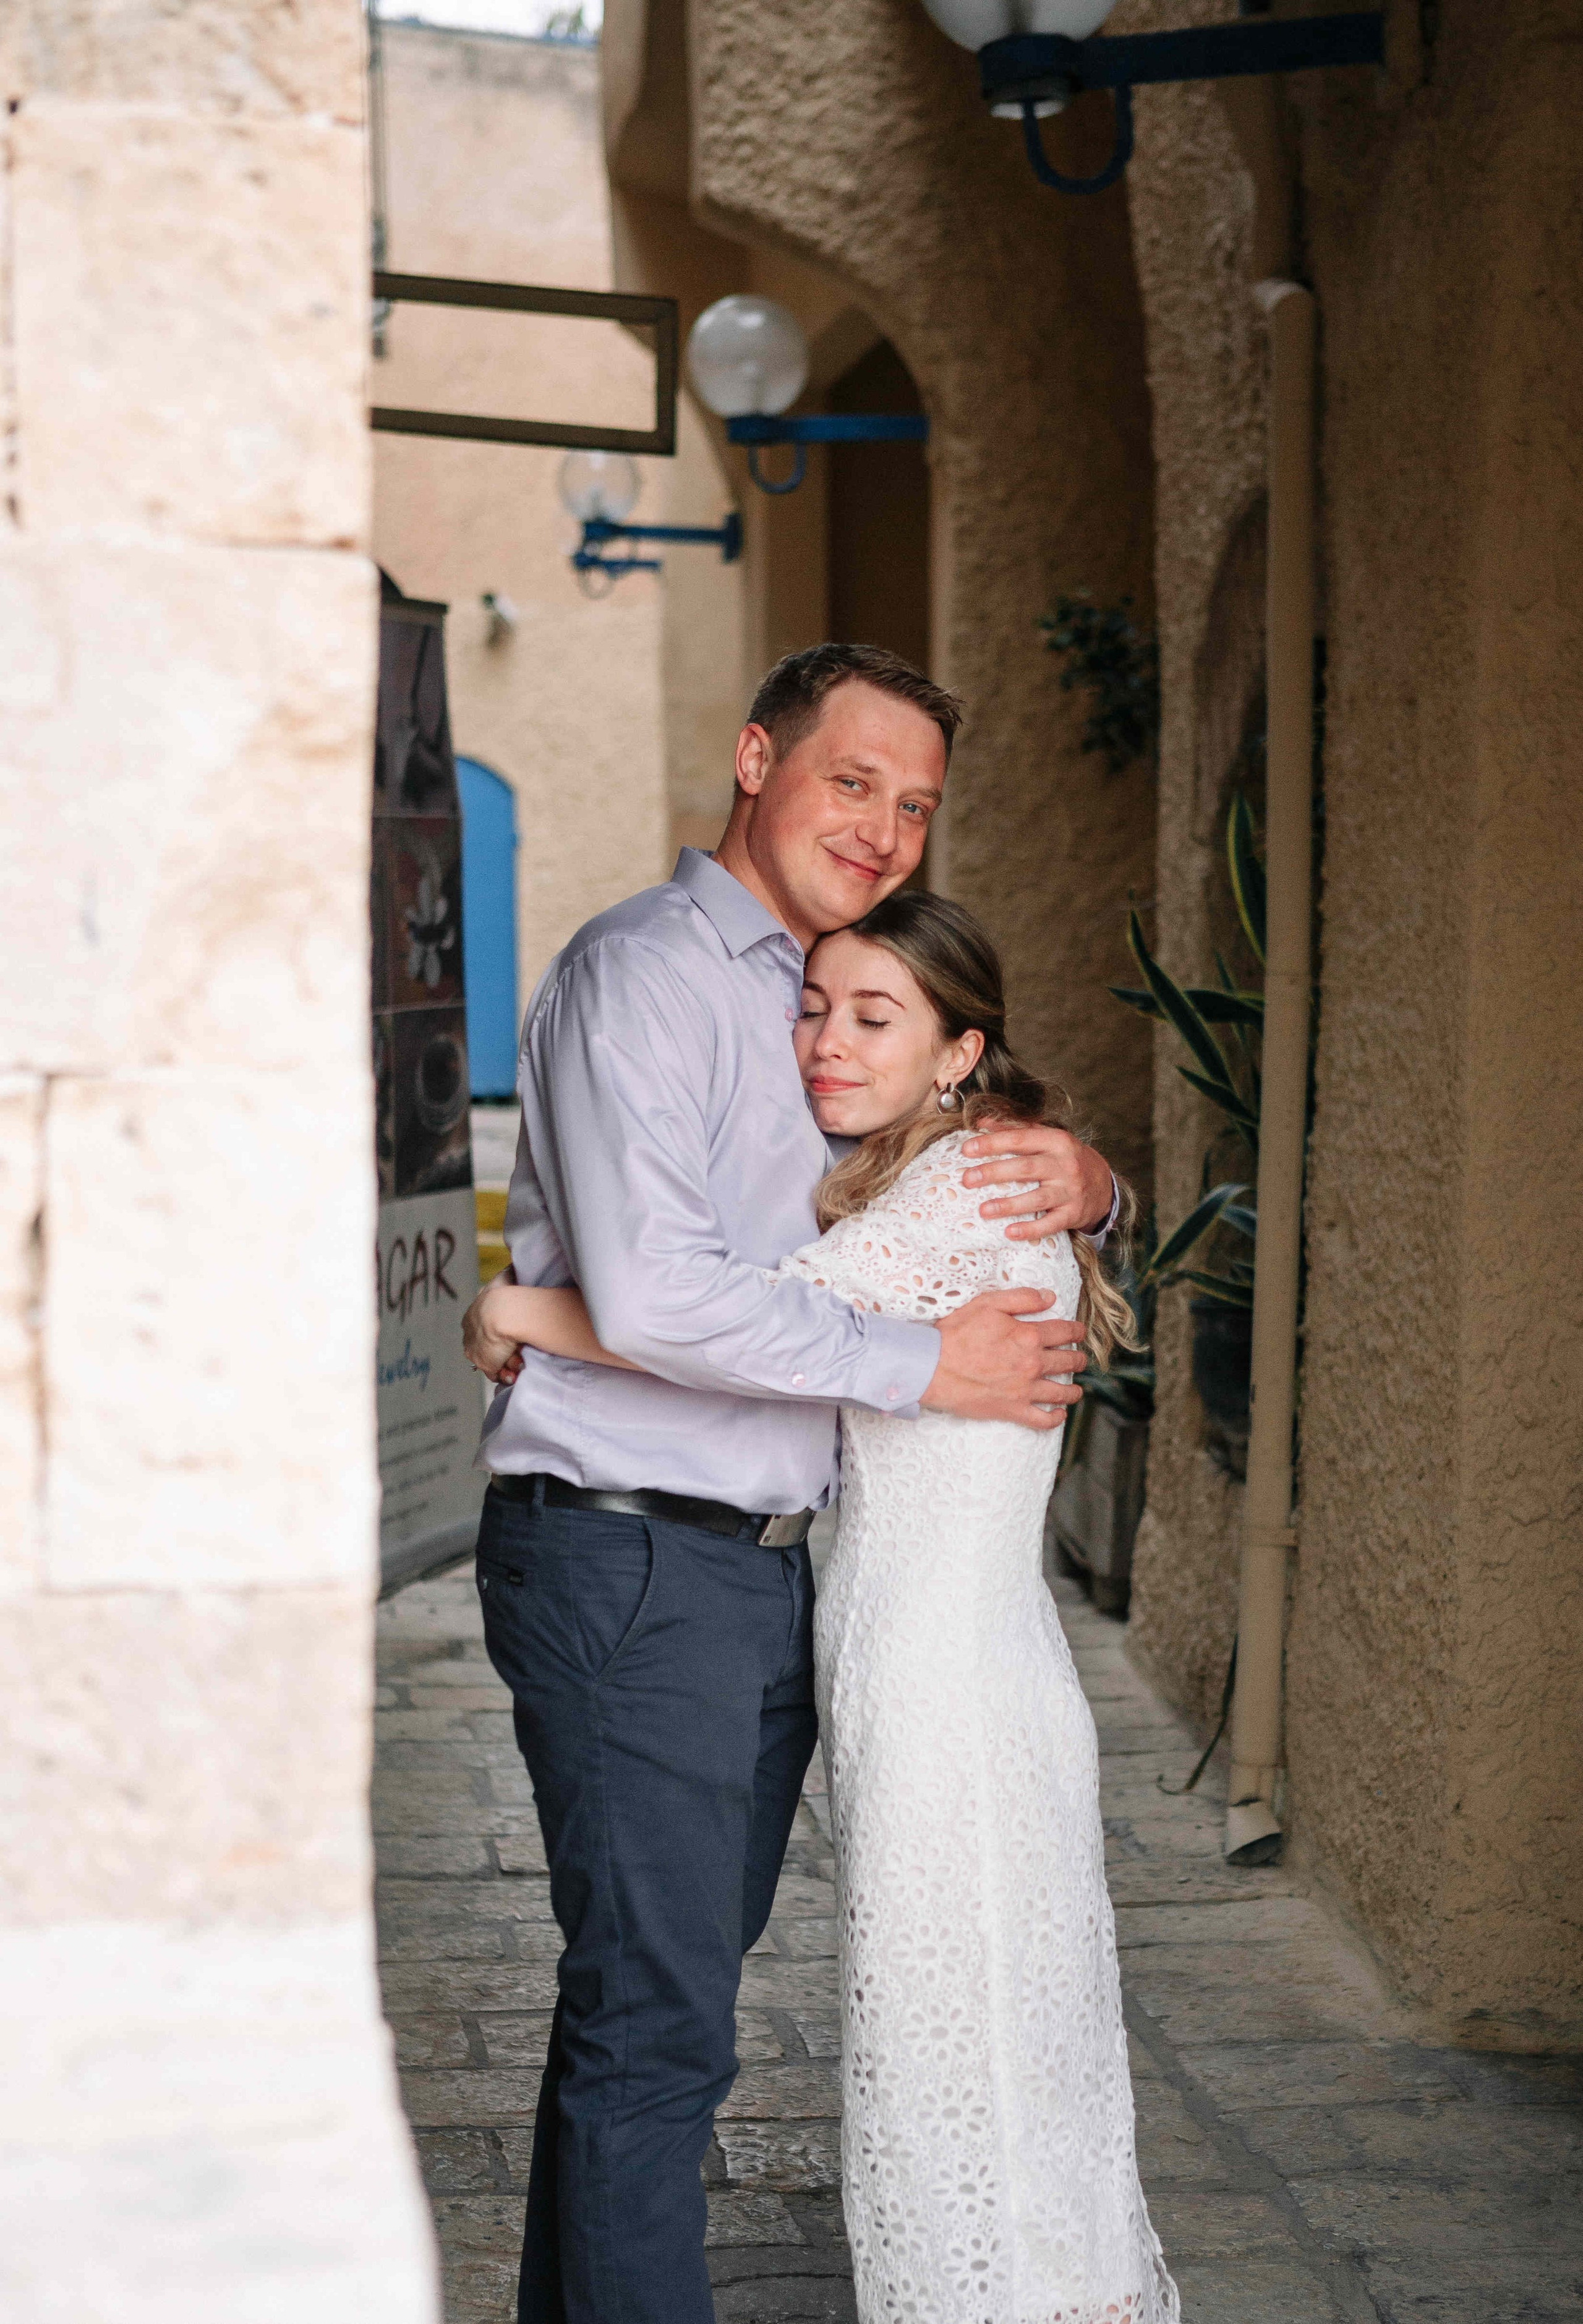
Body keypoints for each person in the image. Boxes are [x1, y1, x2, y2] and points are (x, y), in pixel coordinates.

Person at [463, 644, 1120, 2324]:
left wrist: (1089, 1182)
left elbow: (915, 1200)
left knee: (646, 2013)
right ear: (757, 760)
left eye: (916, 806)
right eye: (854, 782)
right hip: (637, 1562)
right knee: (662, 2029)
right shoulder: (650, 977)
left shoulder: (826, 981)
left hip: (762, 1573)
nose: (889, 828)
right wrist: (929, 1370)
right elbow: (679, 1295)